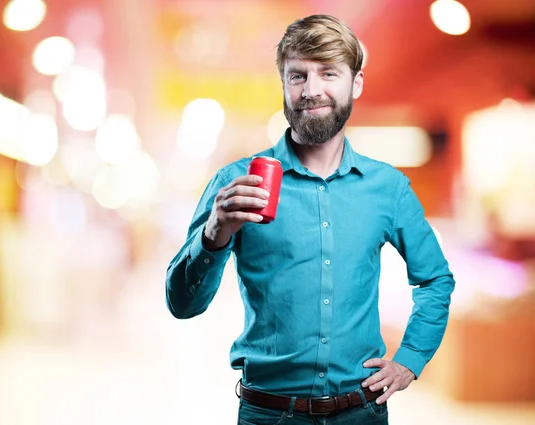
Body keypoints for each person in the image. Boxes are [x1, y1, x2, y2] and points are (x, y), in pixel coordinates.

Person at [166, 14, 455, 424]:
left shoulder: (387, 188)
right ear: (283, 85)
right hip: (267, 413)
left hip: (361, 414)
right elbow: (181, 304)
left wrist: (410, 359)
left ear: (355, 83)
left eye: (328, 73)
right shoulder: (235, 183)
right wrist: (213, 235)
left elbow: (435, 279)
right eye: (297, 76)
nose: (311, 90)